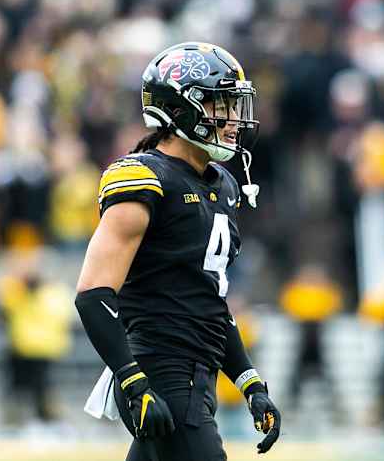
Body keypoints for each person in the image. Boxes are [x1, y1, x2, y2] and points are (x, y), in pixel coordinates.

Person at [75, 42, 281, 461]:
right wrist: (132, 380)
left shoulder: (221, 183)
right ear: (182, 107)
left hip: (196, 378)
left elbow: (208, 301)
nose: (235, 120)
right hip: (164, 373)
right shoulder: (144, 177)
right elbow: (94, 294)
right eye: (222, 104)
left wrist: (249, 382)